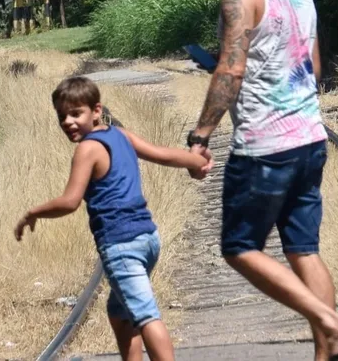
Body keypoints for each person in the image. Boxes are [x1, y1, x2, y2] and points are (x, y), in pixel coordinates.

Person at [186, 0, 338, 361]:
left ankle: (333, 323)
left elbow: (231, 70)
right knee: (303, 250)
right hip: (309, 137)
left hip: (265, 147)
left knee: (239, 247)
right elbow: (314, 66)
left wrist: (201, 134)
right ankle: (329, 353)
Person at [15, 76, 209, 361]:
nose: (68, 122)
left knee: (145, 315)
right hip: (148, 239)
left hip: (121, 245)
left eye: (76, 113)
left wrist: (33, 213)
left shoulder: (87, 149)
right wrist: (198, 161)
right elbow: (162, 154)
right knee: (119, 313)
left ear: (96, 111)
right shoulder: (120, 135)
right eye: (62, 116)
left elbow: (70, 201)